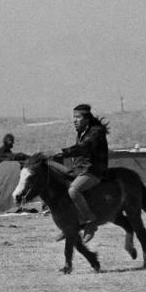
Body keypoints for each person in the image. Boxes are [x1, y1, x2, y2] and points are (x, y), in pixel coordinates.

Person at [51, 103, 110, 242]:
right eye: (74, 117)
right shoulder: (81, 132)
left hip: (93, 171)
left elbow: (83, 148)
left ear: (87, 119)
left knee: (73, 191)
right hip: (79, 170)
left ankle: (91, 222)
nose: (74, 120)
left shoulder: (96, 133)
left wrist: (62, 153)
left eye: (77, 117)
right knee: (52, 171)